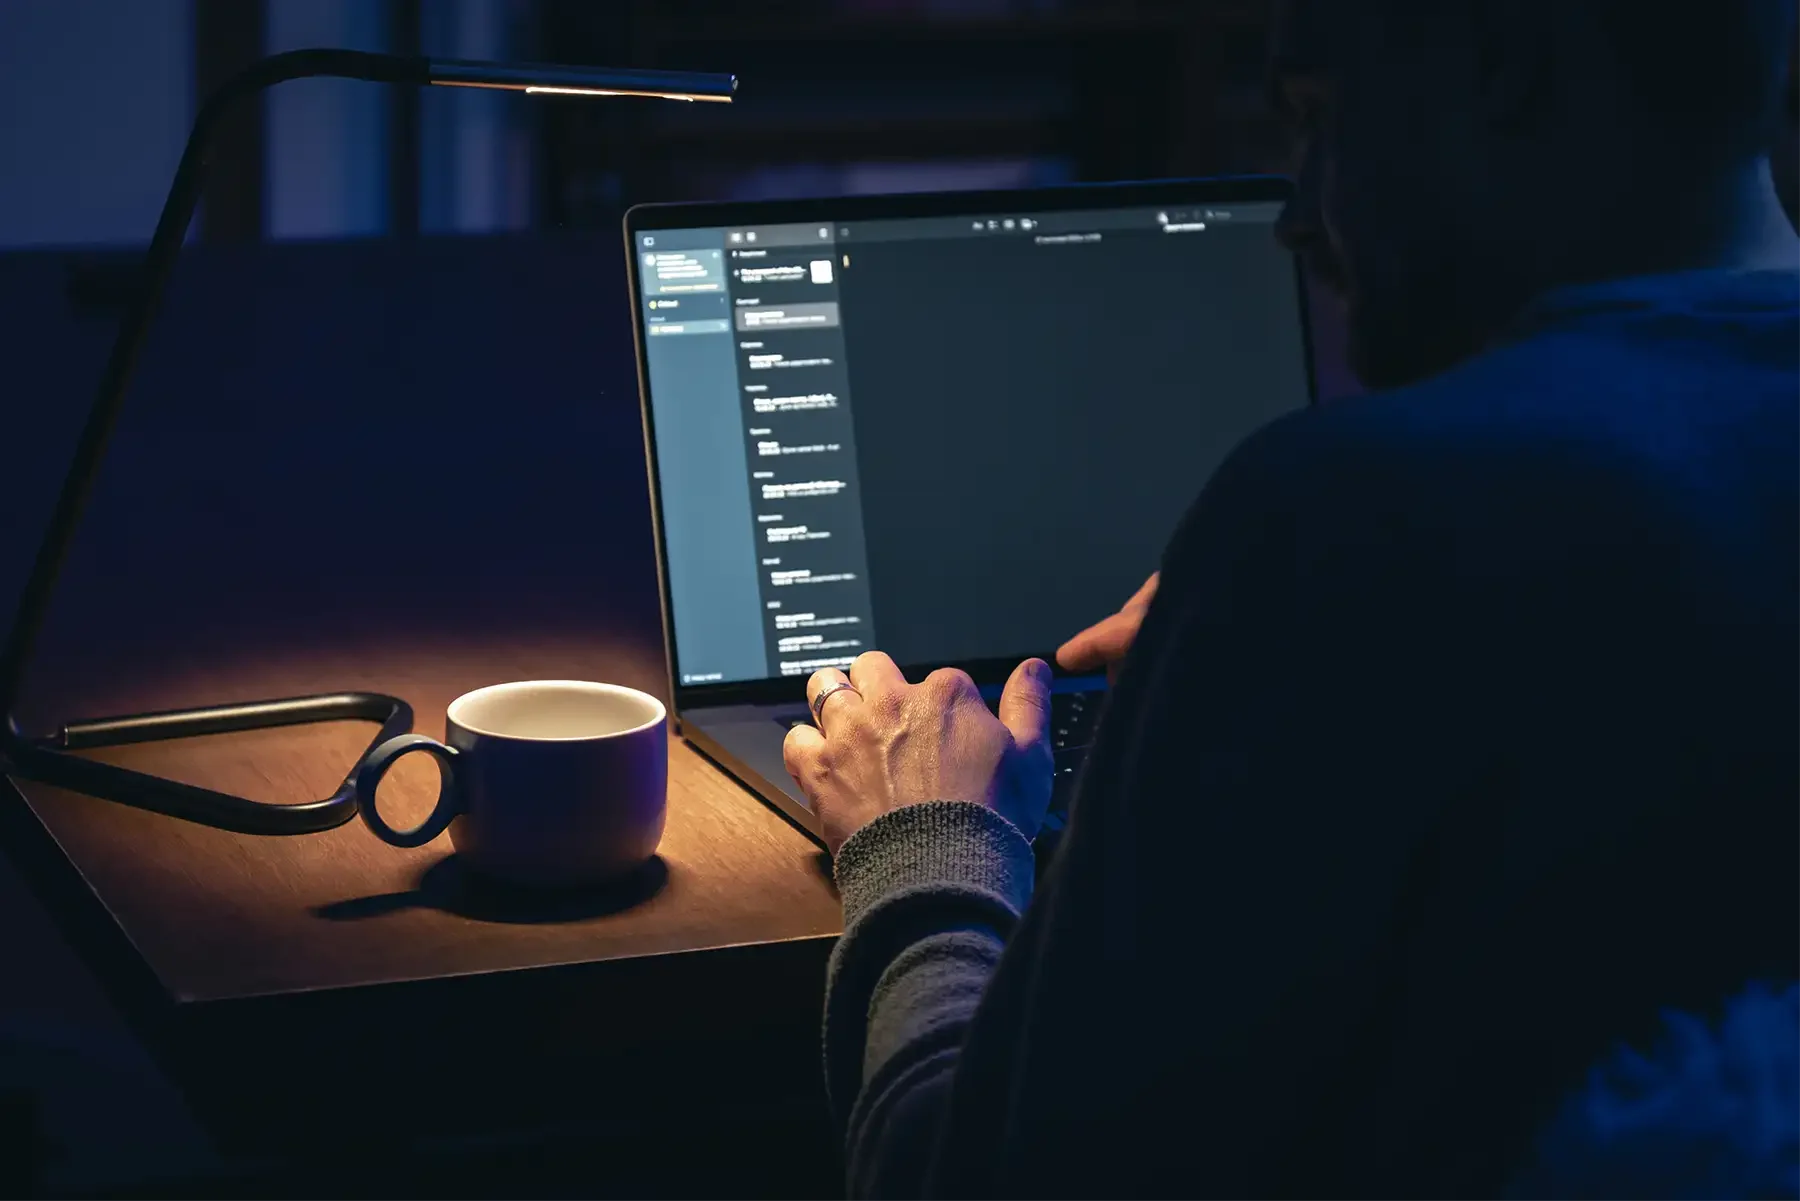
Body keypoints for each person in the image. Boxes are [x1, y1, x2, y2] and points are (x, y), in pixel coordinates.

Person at [781, 0, 1800, 1196]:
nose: (1301, 215)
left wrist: (927, 843)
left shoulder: (1358, 520)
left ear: (1504, 64)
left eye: (1322, 120)